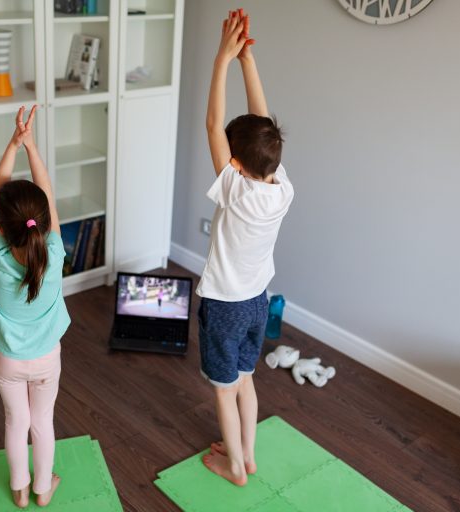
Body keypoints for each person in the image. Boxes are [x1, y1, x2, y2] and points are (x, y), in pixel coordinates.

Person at [197, 9, 294, 486]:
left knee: (223, 389)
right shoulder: (280, 187)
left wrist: (222, 60)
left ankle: (233, 467)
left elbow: (213, 124)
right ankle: (249, 455)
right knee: (246, 379)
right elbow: (261, 126)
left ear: (233, 162)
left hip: (224, 306)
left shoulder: (234, 189)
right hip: (257, 301)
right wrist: (247, 61)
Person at [0, 105, 70, 508]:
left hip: (8, 363)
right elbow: (46, 191)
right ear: (45, 223)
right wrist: (32, 146)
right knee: (42, 423)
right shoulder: (53, 251)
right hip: (46, 359)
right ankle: (41, 489)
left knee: (15, 423)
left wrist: (13, 143)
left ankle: (18, 490)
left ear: (0, 226)